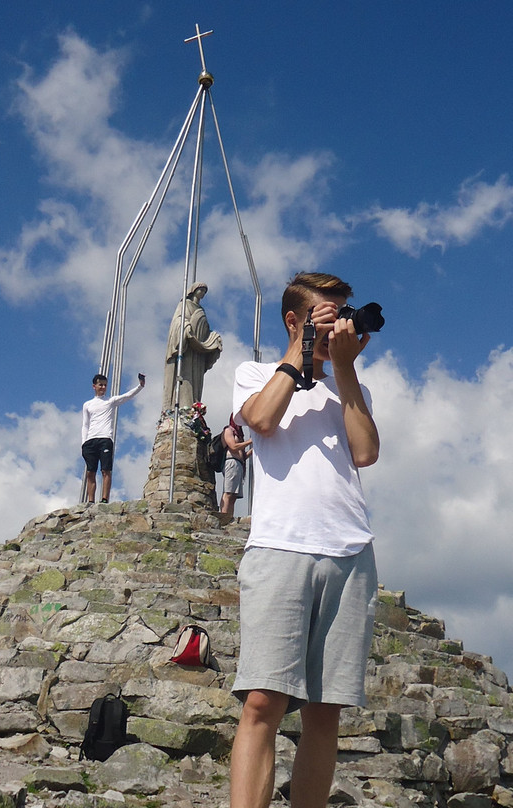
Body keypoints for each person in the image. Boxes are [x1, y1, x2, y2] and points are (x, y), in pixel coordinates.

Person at [229, 272, 381, 808]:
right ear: (294, 321)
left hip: (349, 553)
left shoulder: (350, 385)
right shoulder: (254, 373)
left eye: (345, 312)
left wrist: (344, 367)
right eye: (326, 314)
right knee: (263, 702)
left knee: (325, 711)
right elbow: (262, 421)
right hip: (280, 548)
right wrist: (300, 352)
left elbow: (365, 453)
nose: (340, 322)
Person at [81, 372, 145, 503]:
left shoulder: (110, 401)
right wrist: (84, 442)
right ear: (94, 386)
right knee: (90, 472)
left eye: (105, 385)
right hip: (90, 440)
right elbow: (85, 424)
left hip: (105, 439)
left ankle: (104, 499)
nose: (103, 388)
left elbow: (127, 396)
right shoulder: (87, 404)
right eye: (101, 385)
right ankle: (91, 501)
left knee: (106, 470)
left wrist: (140, 386)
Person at [163, 281, 223, 411]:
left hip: (197, 354)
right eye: (200, 290)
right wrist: (186, 327)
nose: (202, 293)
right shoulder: (185, 305)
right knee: (185, 379)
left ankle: (193, 408)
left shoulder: (201, 310)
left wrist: (213, 337)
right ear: (194, 290)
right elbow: (177, 321)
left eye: (204, 291)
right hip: (186, 349)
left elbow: (203, 330)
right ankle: (182, 408)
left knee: (196, 381)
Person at [219, 415, 252, 517]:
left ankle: (229, 517)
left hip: (239, 464)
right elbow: (233, 447)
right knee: (228, 492)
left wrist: (254, 447)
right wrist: (250, 441)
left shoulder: (239, 435)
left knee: (233, 495)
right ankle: (223, 516)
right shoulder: (228, 430)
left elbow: (243, 456)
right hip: (231, 462)